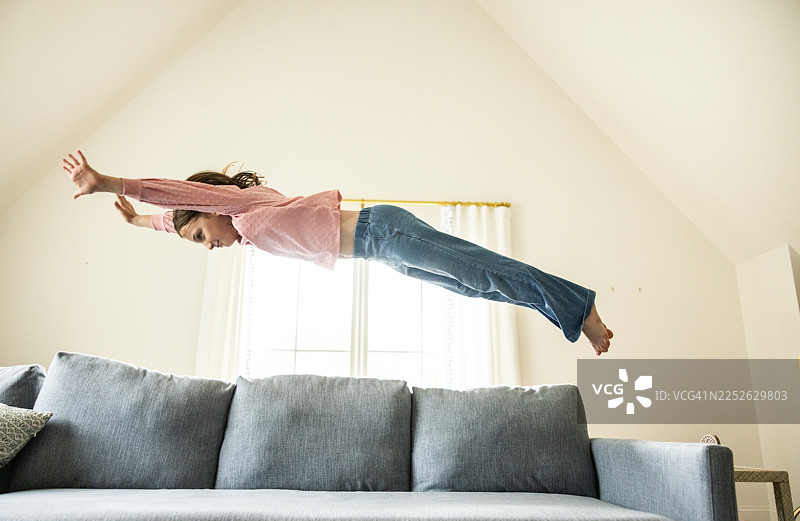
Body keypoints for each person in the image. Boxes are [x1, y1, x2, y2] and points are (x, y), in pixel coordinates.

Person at [63, 150, 612, 355]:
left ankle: (578, 306)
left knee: (483, 271)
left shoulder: (241, 207)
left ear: (211, 208)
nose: (211, 247)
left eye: (203, 237)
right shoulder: (242, 231)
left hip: (384, 231)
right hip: (383, 252)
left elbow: (178, 197)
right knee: (475, 286)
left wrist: (108, 183)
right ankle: (565, 310)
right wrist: (139, 223)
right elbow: (173, 218)